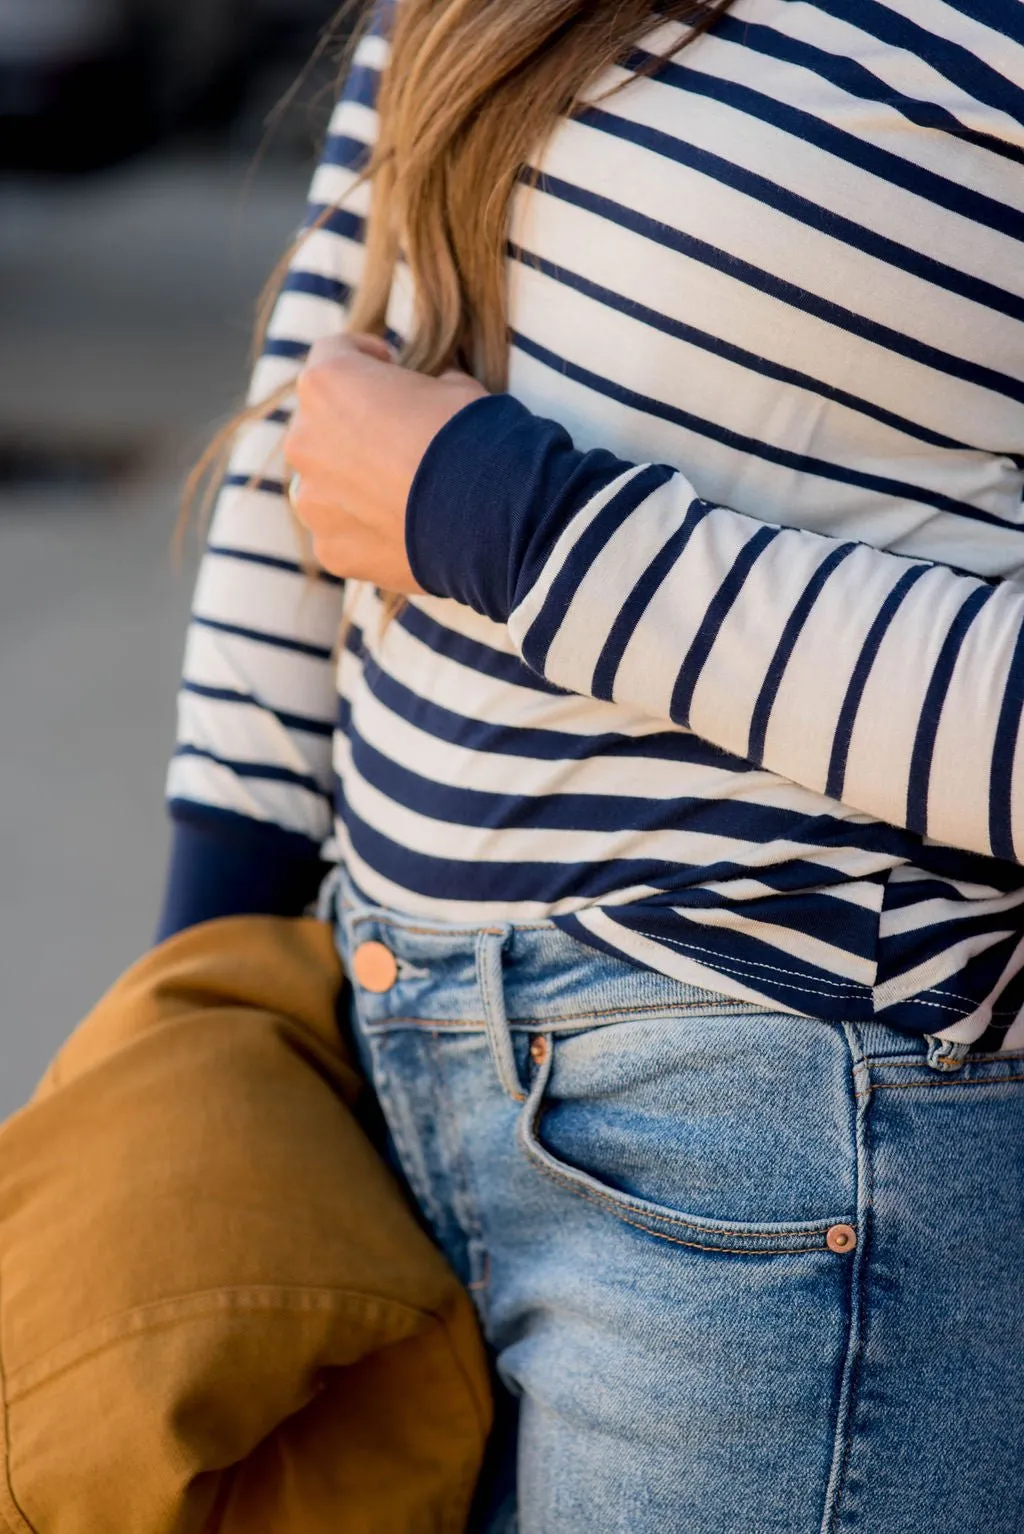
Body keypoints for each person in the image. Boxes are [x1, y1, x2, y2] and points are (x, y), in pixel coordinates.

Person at [159, 0, 1024, 1528]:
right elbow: (311, 423)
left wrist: (526, 531)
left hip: (772, 1141)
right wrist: (196, 1014)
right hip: (380, 1057)